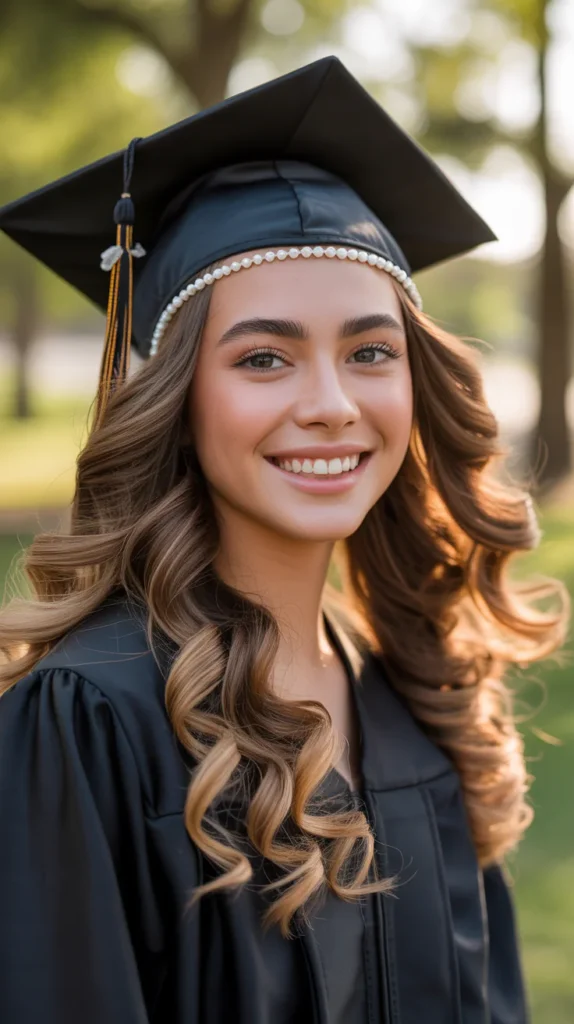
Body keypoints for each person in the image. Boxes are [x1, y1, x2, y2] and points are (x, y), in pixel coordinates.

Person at [0, 56, 568, 1024]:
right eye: (263, 357)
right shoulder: (91, 719)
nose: (331, 405)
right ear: (176, 401)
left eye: (368, 352)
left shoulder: (407, 692)